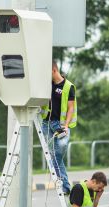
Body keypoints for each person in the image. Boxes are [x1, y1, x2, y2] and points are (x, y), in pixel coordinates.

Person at [41, 60, 78, 194]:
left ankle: (64, 184)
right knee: (53, 155)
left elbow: (70, 108)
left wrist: (66, 126)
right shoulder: (47, 85)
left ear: (53, 70)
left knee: (58, 151)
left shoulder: (68, 86)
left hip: (61, 125)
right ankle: (66, 187)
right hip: (46, 123)